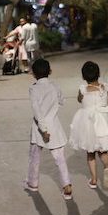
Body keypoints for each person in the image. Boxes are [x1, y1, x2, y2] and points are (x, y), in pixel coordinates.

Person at [69, 61, 108, 191]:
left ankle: (93, 180)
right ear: (99, 74)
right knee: (103, 151)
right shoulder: (105, 87)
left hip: (88, 123)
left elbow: (80, 100)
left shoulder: (82, 89)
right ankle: (107, 168)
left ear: (83, 77)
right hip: (104, 122)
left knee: (90, 153)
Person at [24, 58, 73, 200]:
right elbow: (62, 101)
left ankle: (33, 183)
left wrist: (44, 130)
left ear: (33, 73)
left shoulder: (33, 89)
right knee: (60, 158)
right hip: (55, 127)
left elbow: (37, 111)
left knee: (34, 157)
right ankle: (67, 185)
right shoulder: (55, 86)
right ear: (50, 71)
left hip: (39, 129)